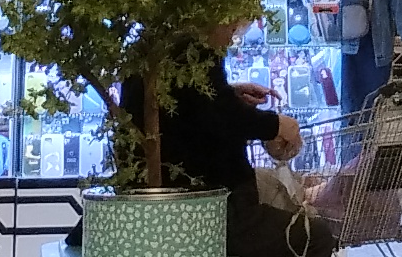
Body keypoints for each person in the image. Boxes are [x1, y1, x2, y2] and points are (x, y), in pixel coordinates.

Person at [130, 22, 311, 257]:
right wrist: (276, 125)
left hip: (188, 200)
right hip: (211, 204)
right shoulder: (195, 49)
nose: (229, 40)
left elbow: (197, 103)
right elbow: (220, 114)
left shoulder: (159, 44)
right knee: (316, 238)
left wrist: (231, 93)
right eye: (231, 30)